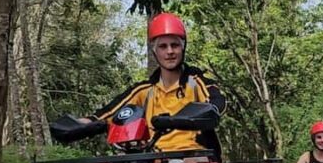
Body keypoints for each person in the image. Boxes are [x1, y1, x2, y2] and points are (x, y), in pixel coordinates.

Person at [83, 12, 225, 153]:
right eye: (163, 46)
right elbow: (109, 112)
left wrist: (201, 114)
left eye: (174, 45)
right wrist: (83, 124)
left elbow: (216, 103)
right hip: (155, 158)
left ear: (183, 47)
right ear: (154, 51)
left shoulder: (196, 83)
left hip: (194, 155)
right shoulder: (145, 90)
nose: (170, 51)